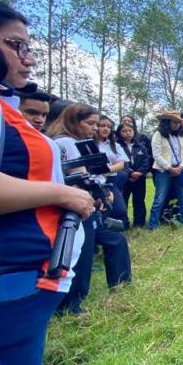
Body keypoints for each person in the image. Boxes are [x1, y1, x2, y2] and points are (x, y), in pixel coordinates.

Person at [0, 0, 94, 365]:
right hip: (0, 291)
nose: (28, 58)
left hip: (19, 290)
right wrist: (63, 195)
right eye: (16, 45)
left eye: (30, 47)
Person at [50, 104, 133, 311]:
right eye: (90, 123)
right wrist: (97, 193)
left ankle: (121, 283)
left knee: (115, 239)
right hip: (75, 208)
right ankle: (70, 304)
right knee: (82, 254)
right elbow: (78, 176)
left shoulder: (74, 142)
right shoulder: (66, 143)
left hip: (87, 204)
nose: (95, 128)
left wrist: (101, 193)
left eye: (97, 124)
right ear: (73, 121)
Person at [147, 110, 183, 230]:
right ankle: (153, 225)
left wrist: (181, 166)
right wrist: (169, 168)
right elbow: (156, 155)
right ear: (167, 122)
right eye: (174, 122)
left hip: (180, 169)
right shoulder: (158, 135)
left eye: (178, 122)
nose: (176, 124)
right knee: (159, 198)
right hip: (163, 170)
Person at [94, 115, 129, 228]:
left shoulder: (114, 145)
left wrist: (106, 170)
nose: (106, 129)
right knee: (97, 208)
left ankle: (115, 231)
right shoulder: (90, 143)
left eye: (109, 127)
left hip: (110, 180)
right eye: (102, 126)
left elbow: (121, 164)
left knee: (120, 210)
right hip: (94, 181)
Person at [116, 122, 150, 228]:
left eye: (130, 131)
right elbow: (119, 162)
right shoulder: (117, 146)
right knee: (123, 200)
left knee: (139, 200)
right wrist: (130, 173)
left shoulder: (140, 146)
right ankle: (124, 223)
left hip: (139, 178)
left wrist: (140, 172)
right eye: (124, 131)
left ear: (134, 132)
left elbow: (146, 160)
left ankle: (139, 223)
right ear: (119, 133)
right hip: (124, 179)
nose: (127, 133)